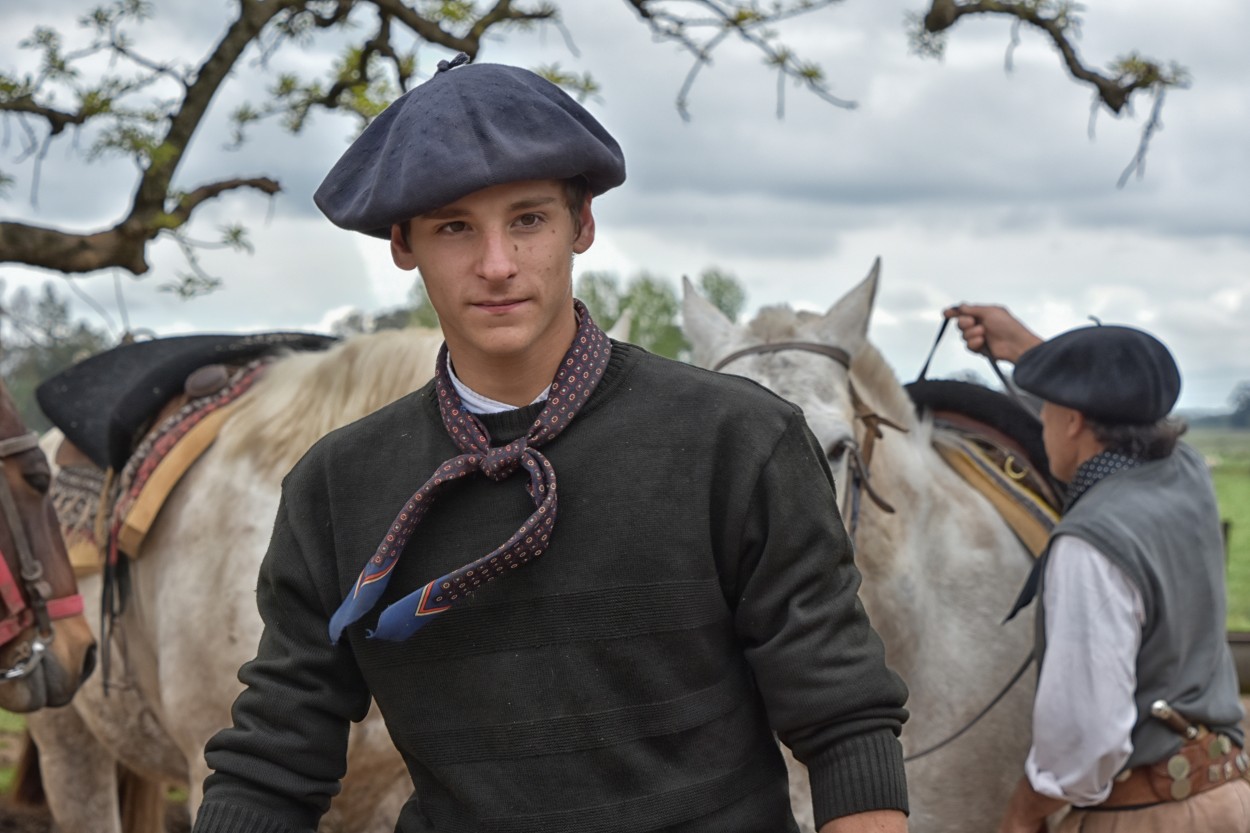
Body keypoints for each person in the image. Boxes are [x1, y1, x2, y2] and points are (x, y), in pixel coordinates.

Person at [191, 55, 910, 833]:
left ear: (583, 225)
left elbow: (845, 722)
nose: (496, 264)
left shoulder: (740, 442)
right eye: (455, 227)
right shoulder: (337, 486)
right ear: (404, 244)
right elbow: (274, 759)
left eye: (527, 220)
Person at [947, 304, 1248, 833]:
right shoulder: (1186, 474)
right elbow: (1125, 400)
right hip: (1228, 799)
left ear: (1073, 420)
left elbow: (1087, 742)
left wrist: (1022, 811)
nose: (1041, 422)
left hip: (1145, 818)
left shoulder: (1092, 543)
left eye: (1046, 410)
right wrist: (1022, 345)